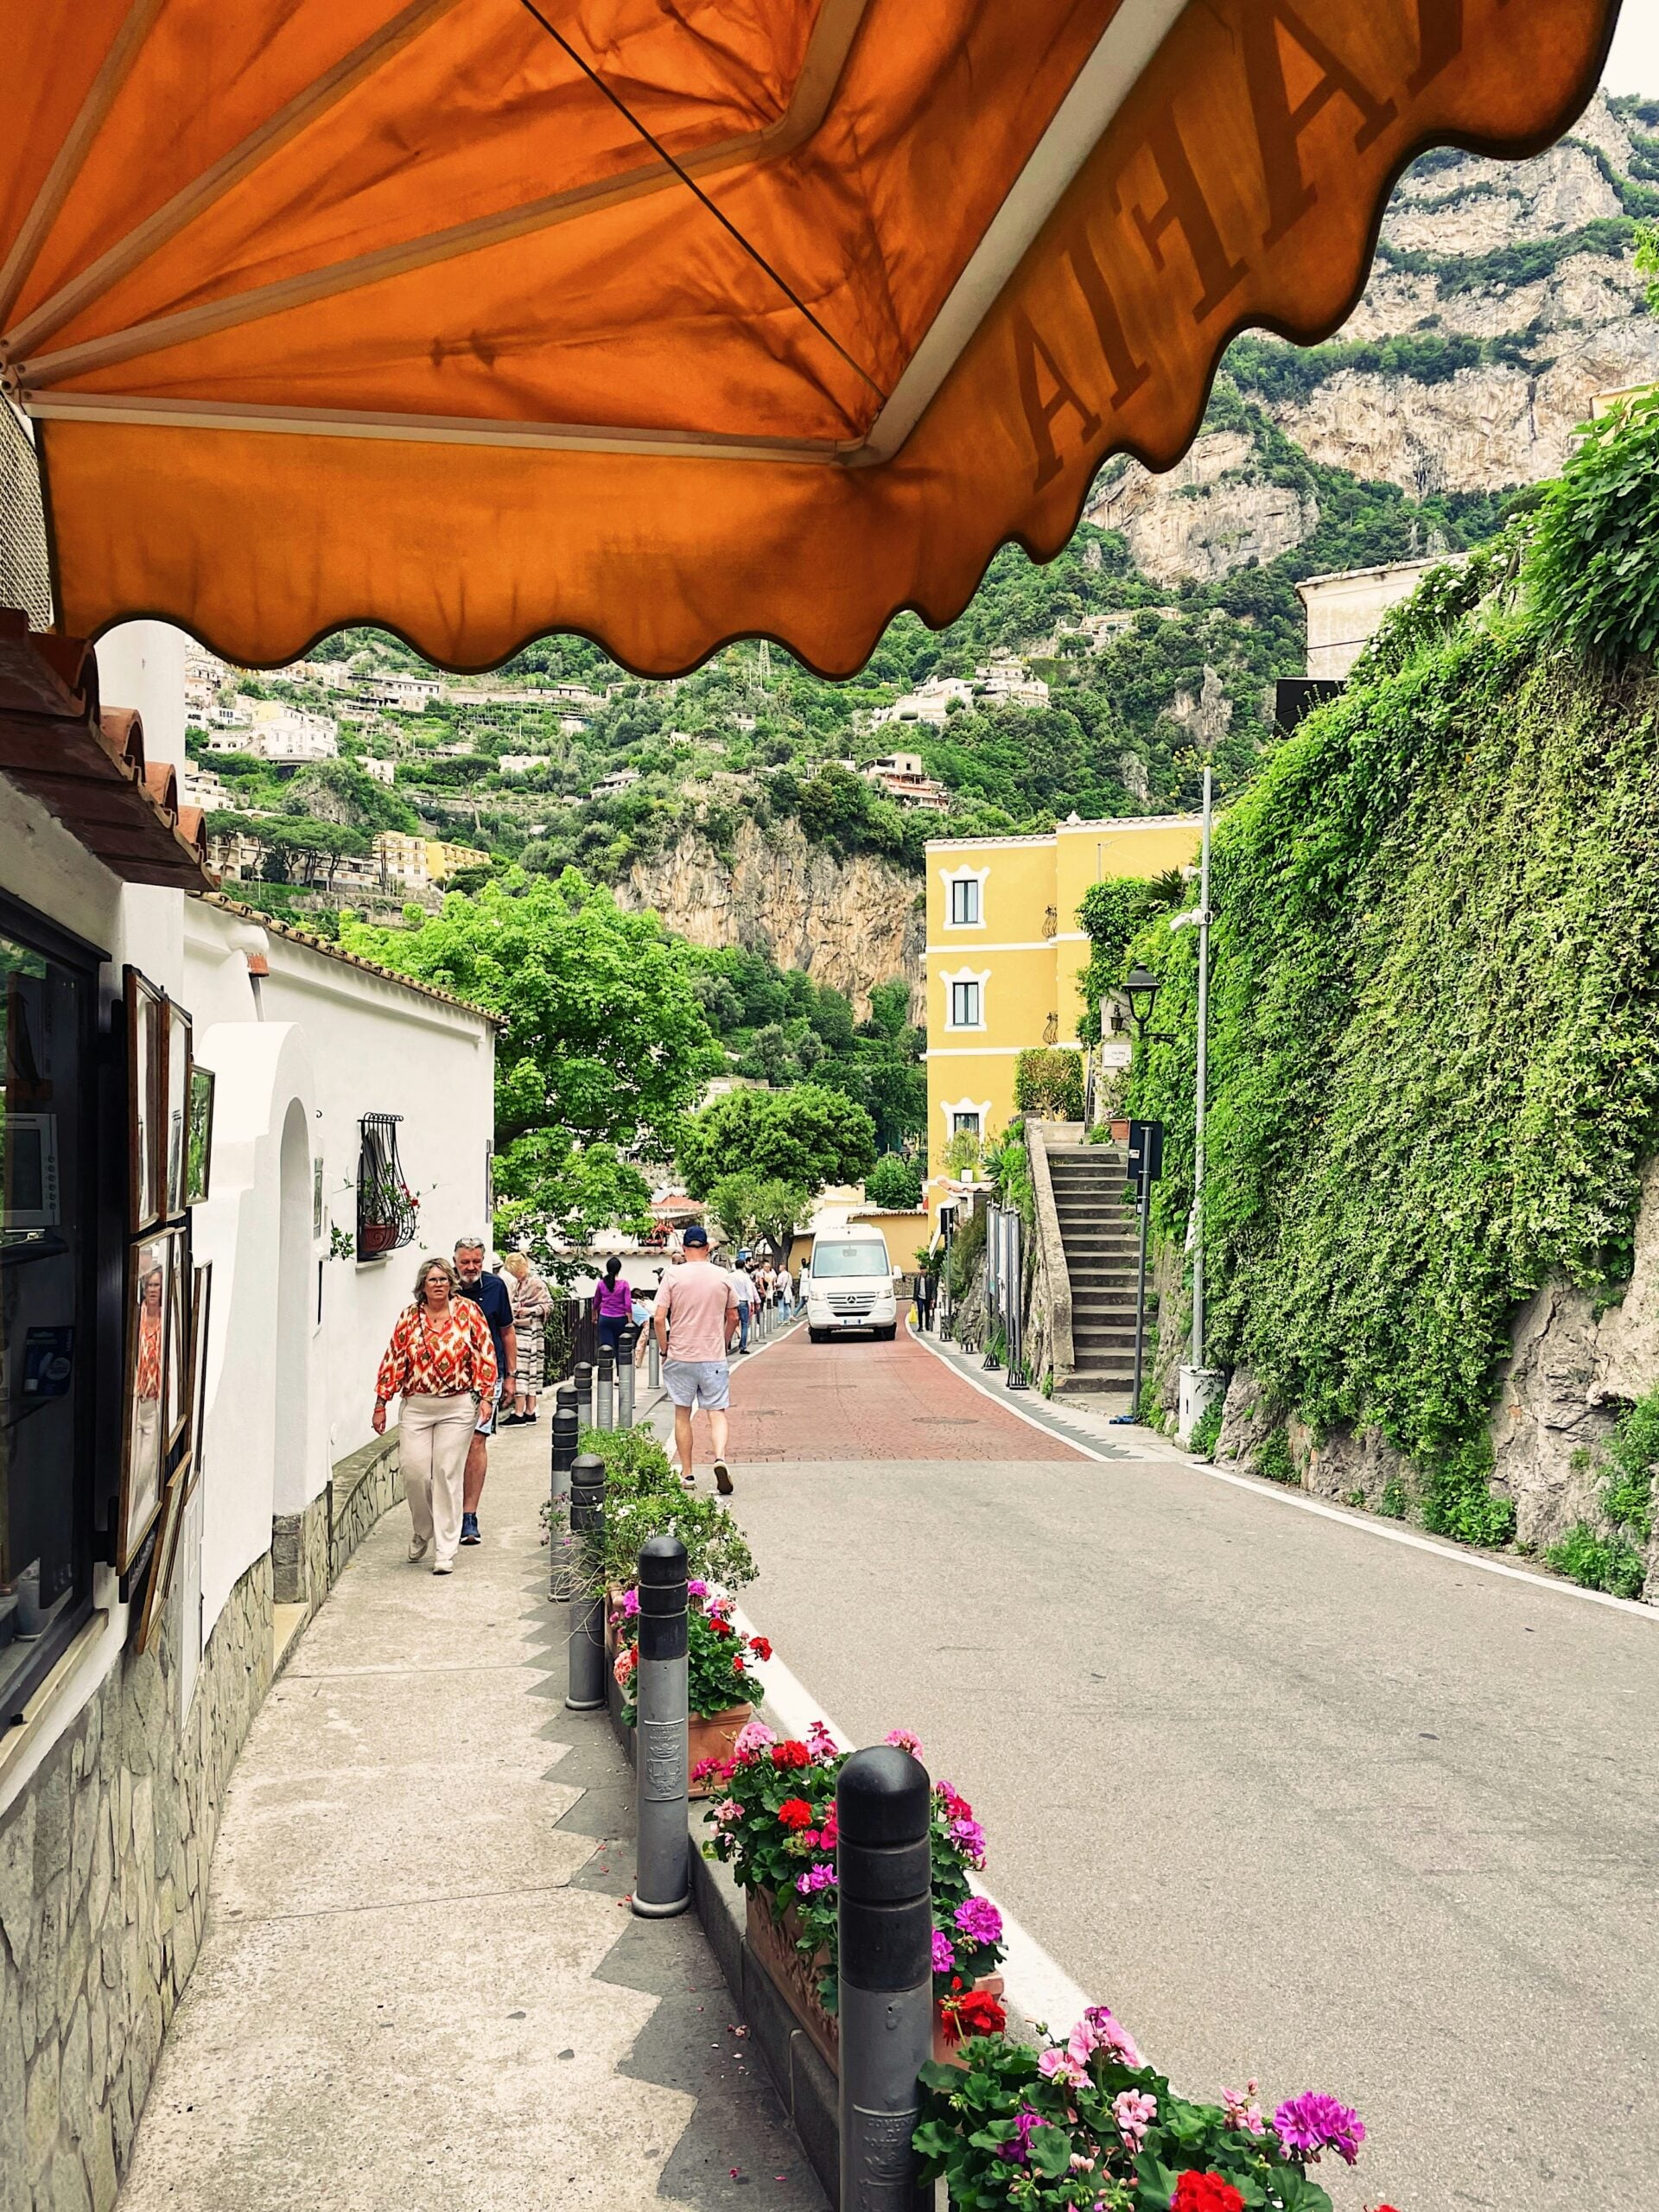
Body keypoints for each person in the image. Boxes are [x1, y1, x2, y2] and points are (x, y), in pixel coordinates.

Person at [373, 1256, 497, 1573]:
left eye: (443, 1279)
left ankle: (445, 1548)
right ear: (422, 1286)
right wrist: (381, 1402)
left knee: (445, 1472)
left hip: (457, 1407)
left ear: (451, 1283)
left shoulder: (469, 1313)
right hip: (417, 1405)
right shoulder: (409, 1317)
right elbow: (394, 1358)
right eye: (432, 1280)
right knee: (415, 1473)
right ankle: (422, 1530)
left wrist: (486, 1395)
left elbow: (485, 1352)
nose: (439, 1284)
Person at [654, 1224, 738, 1495]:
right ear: (707, 1248)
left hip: (681, 1355)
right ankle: (720, 1458)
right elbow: (734, 1316)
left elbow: (658, 1318)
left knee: (682, 1414)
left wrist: (666, 1348)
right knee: (717, 1412)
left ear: (684, 1248)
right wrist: (722, 1343)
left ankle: (688, 1474)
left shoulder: (672, 1275)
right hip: (712, 1356)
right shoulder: (722, 1276)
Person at [453, 1236, 515, 1548]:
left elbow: (507, 1331)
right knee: (451, 1447)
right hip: (449, 1379)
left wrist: (511, 1377)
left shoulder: (496, 1288)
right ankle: (447, 1510)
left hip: (486, 1376)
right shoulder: (443, 1287)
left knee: (477, 1441)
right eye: (465, 1262)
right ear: (456, 1261)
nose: (471, 1267)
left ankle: (469, 1516)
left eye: (476, 1261)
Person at [501, 1250, 554, 1425]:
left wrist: (530, 1310)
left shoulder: (535, 1283)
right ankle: (528, 1410)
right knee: (529, 1371)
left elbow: (548, 1305)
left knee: (524, 1370)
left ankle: (521, 1412)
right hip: (524, 1329)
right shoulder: (517, 1284)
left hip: (530, 1331)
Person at [593, 1255, 633, 1358]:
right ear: (619, 1269)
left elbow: (596, 1301)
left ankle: (606, 1373)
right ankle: (621, 1373)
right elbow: (628, 1305)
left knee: (606, 1348)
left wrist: (594, 1316)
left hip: (605, 1318)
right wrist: (629, 1321)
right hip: (620, 1319)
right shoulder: (624, 1284)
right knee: (621, 1348)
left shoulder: (601, 1284)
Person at [728, 1257, 755, 1353]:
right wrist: (751, 1303)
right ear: (744, 1266)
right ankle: (743, 1346)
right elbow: (749, 1291)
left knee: (731, 1323)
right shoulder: (745, 1277)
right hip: (743, 1301)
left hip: (732, 1301)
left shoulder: (730, 1276)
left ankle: (728, 1342)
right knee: (744, 1324)